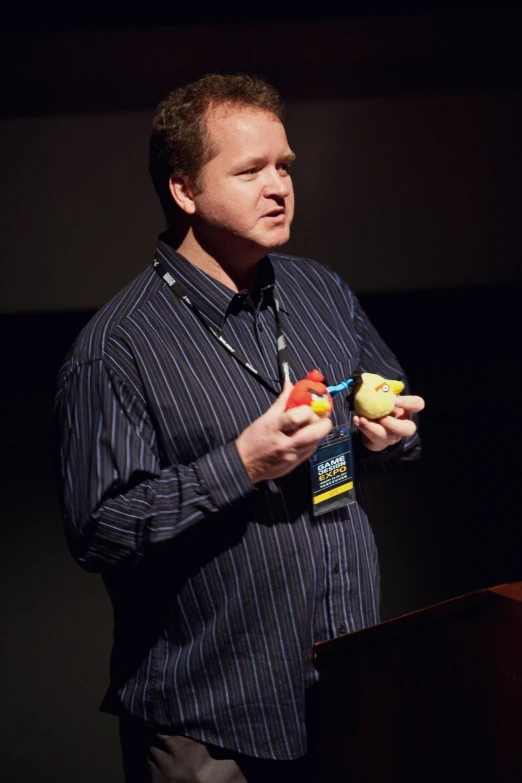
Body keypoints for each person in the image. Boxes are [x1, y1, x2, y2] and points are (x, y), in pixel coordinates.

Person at [54, 73, 424, 782]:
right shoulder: (117, 349)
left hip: (347, 689)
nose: (279, 185)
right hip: (211, 723)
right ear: (184, 190)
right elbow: (98, 530)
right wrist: (243, 463)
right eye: (251, 169)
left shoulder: (321, 291)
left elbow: (394, 420)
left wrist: (392, 435)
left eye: (284, 165)